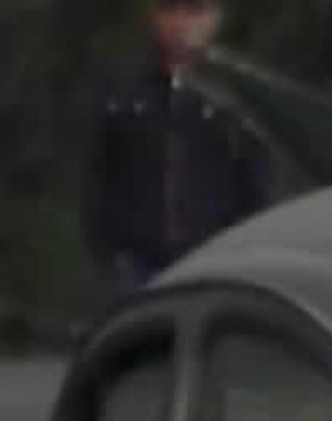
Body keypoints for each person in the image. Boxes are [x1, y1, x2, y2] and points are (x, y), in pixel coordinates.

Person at [82, 0, 273, 297]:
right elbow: (98, 175)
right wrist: (110, 253)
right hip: (135, 267)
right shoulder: (122, 87)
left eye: (194, 11)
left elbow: (259, 185)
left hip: (215, 265)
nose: (181, 24)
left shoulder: (236, 97)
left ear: (215, 17)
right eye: (170, 10)